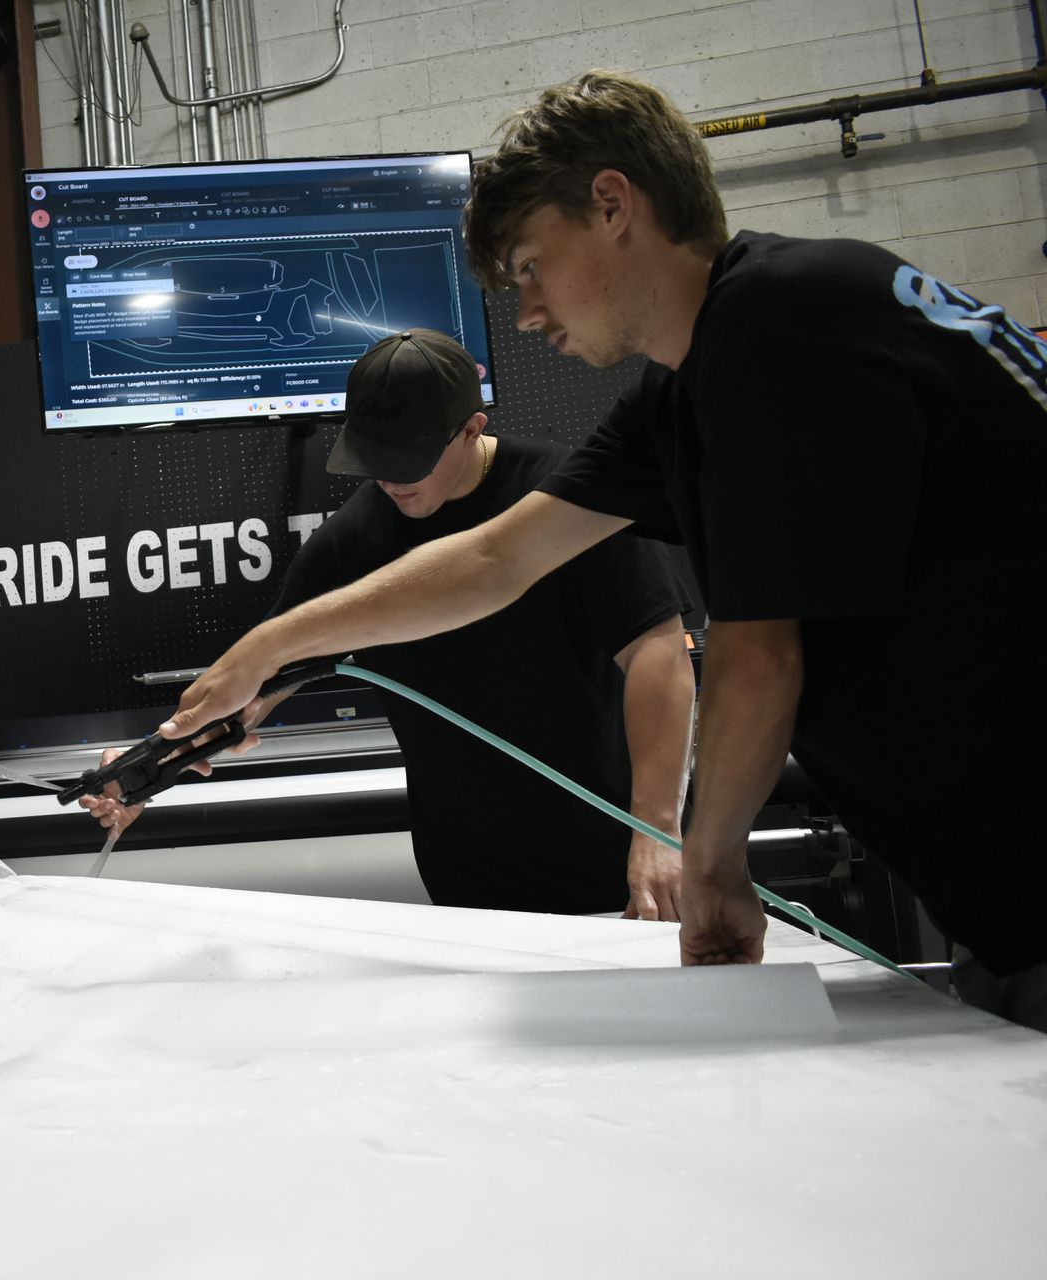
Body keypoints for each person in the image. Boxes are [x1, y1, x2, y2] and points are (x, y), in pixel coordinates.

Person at [161, 72, 1047, 1029]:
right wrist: (270, 647)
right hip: (1007, 902)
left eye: (532, 268)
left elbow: (758, 653)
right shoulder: (687, 386)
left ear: (613, 205)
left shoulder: (785, 327)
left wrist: (703, 866)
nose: (529, 314)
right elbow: (496, 558)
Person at [83, 330, 695, 919]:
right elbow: (250, 690)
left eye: (411, 459)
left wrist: (658, 828)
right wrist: (144, 766)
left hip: (618, 870)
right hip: (468, 890)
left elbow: (658, 652)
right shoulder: (350, 545)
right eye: (375, 457)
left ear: (473, 429)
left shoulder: (565, 503)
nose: (391, 478)